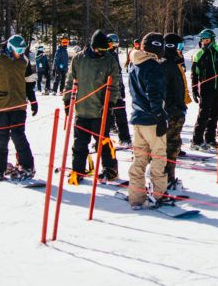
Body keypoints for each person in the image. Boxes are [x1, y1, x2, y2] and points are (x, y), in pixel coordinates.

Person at [65, 30, 122, 184]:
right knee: (79, 144)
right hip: (82, 110)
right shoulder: (79, 59)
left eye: (105, 50)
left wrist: (110, 104)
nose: (102, 53)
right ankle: (78, 170)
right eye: (100, 50)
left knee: (103, 142)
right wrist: (66, 100)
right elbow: (70, 80)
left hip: (99, 111)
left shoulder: (109, 60)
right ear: (92, 46)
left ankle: (110, 169)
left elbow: (115, 85)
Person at [0, 34, 37, 181]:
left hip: (19, 105)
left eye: (22, 50)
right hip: (1, 106)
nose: (20, 53)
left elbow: (29, 83)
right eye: (18, 50)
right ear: (10, 47)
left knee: (19, 136)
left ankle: (27, 166)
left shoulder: (23, 60)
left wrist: (33, 101)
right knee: (2, 138)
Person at [127, 33, 170, 209]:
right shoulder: (152, 66)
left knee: (139, 158)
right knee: (159, 157)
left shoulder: (134, 63)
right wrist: (159, 115)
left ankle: (136, 196)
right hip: (152, 120)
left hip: (138, 118)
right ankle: (158, 194)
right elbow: (154, 93)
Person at [162, 33, 190, 188]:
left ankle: (168, 176)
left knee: (174, 144)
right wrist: (173, 108)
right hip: (170, 113)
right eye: (180, 47)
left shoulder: (175, 63)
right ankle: (165, 177)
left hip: (177, 110)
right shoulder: (166, 64)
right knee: (170, 145)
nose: (181, 50)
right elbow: (165, 90)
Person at [190, 29, 218, 150]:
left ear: (212, 39)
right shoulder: (199, 54)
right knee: (203, 114)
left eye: (207, 39)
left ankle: (210, 138)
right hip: (206, 88)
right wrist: (194, 90)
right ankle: (196, 140)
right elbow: (194, 74)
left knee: (215, 115)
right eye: (203, 40)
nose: (205, 42)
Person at [107, 33, 132, 147]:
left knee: (120, 113)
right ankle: (103, 139)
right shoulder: (105, 55)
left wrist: (121, 89)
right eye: (111, 44)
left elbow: (118, 74)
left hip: (116, 89)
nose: (113, 46)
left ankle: (125, 138)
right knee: (105, 115)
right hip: (108, 89)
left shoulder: (113, 54)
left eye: (115, 44)